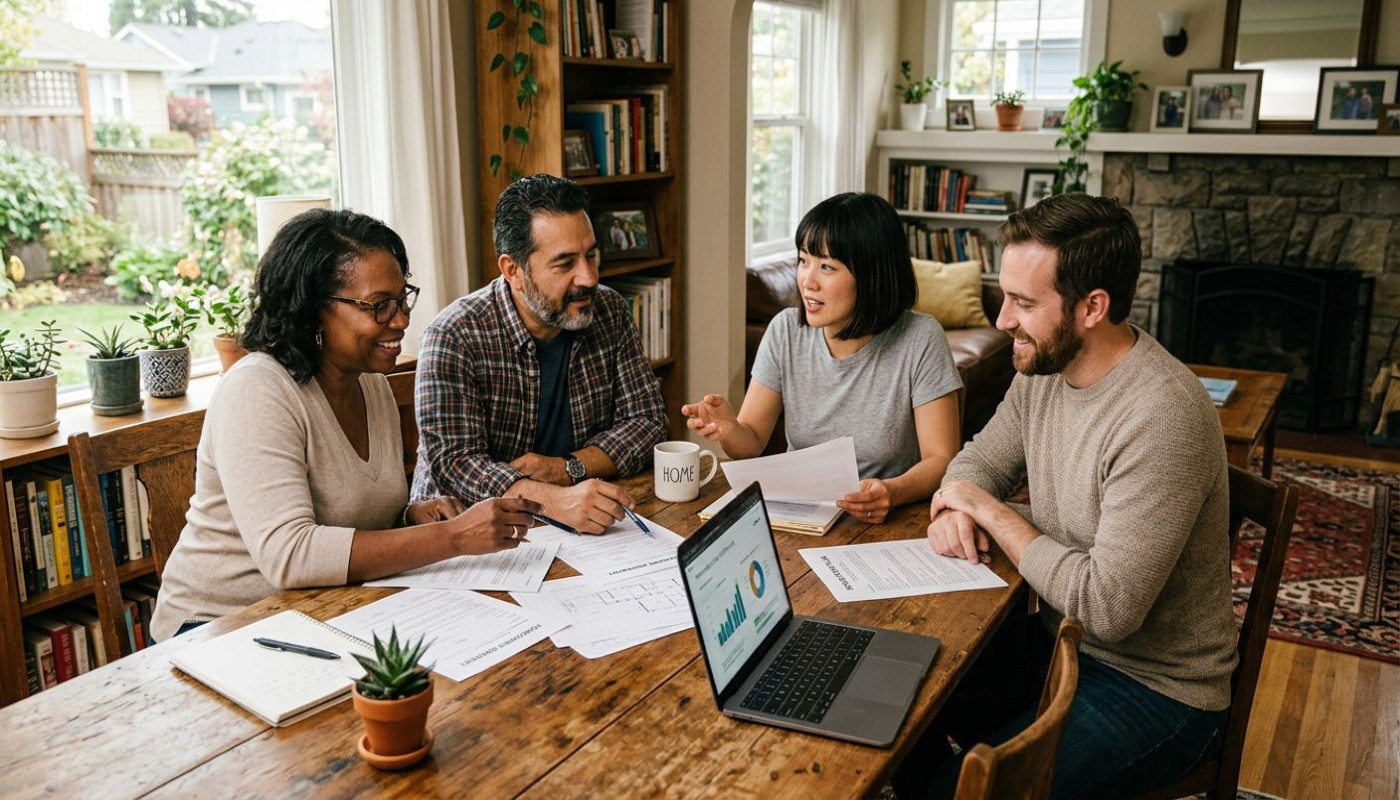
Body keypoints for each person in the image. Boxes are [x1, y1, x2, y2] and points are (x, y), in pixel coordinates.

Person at [892, 193, 1237, 800]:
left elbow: (1108, 606)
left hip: (1154, 688)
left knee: (958, 791)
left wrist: (989, 511)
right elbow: (975, 462)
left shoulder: (1162, 414)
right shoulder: (1044, 372)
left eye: (1023, 304)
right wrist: (957, 499)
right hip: (1058, 640)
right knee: (890, 696)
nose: (1002, 322)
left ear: (1091, 308)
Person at [150, 209, 540, 642]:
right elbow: (292, 556)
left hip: (318, 614)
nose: (402, 320)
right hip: (217, 629)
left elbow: (355, 519)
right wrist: (452, 537)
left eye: (402, 298)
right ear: (314, 311)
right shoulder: (257, 389)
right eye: (379, 306)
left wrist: (412, 518)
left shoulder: (371, 385)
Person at [682, 192, 962, 523]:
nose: (807, 281)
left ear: (872, 274)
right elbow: (751, 442)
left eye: (826, 266)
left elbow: (942, 458)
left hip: (889, 520)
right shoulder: (785, 330)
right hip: (801, 516)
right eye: (803, 261)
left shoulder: (920, 338)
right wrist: (730, 430)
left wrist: (893, 491)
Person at [412, 174, 667, 533]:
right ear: (513, 270)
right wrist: (553, 500)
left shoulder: (609, 310)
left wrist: (567, 468)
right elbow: (457, 466)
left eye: (591, 255)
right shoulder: (453, 336)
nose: (589, 278)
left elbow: (647, 423)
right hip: (467, 537)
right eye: (565, 264)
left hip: (583, 527)